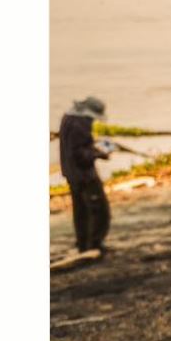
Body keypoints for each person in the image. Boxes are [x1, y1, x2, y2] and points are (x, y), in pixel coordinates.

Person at [58, 96, 113, 256]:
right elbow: (80, 154)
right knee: (99, 210)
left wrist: (93, 150)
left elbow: (75, 148)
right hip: (83, 174)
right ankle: (94, 245)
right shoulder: (80, 124)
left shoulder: (68, 118)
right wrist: (99, 153)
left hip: (71, 172)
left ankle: (83, 244)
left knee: (81, 210)